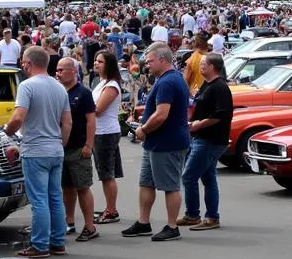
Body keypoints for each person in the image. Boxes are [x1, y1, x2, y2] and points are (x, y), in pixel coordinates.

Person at [6, 46, 72, 259]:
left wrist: (8, 131)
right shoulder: (60, 87)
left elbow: (18, 117)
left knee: (39, 200)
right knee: (55, 197)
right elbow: (67, 122)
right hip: (55, 148)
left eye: (23, 62)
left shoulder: (27, 86)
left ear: (28, 63)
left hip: (35, 148)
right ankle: (58, 241)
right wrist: (60, 144)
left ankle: (40, 244)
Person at [123, 42, 190, 242]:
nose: (147, 65)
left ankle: (172, 226)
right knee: (146, 183)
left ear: (162, 59)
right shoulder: (168, 79)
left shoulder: (168, 82)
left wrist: (143, 129)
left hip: (167, 142)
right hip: (156, 142)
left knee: (170, 186)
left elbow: (161, 115)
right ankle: (144, 222)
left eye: (150, 61)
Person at [177, 53, 233, 232]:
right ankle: (209, 216)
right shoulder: (206, 85)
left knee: (189, 175)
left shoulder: (220, 87)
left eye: (203, 64)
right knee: (208, 177)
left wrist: (200, 123)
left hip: (211, 138)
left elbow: (222, 114)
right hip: (200, 136)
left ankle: (194, 214)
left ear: (212, 67)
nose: (200, 66)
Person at [55, 57, 98, 241]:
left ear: (73, 71)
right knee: (66, 187)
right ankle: (69, 221)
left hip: (79, 147)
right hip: (60, 147)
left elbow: (91, 120)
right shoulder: (57, 92)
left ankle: (90, 226)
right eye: (57, 70)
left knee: (82, 187)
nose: (58, 73)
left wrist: (89, 144)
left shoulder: (83, 93)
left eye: (62, 70)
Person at [91, 50, 124, 225]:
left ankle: (111, 210)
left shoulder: (111, 85)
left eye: (101, 61)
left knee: (106, 173)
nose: (96, 64)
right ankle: (109, 207)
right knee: (105, 173)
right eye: (96, 61)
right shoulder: (101, 82)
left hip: (105, 132)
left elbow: (98, 109)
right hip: (100, 132)